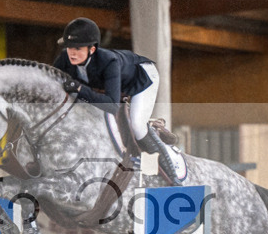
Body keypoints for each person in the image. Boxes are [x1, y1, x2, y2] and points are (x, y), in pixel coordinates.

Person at [51, 17, 186, 184]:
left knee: (137, 125)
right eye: (69, 47)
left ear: (92, 49)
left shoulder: (109, 62)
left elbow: (112, 105)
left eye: (78, 48)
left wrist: (80, 89)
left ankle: (173, 177)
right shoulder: (65, 59)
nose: (72, 53)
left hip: (142, 79)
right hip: (112, 86)